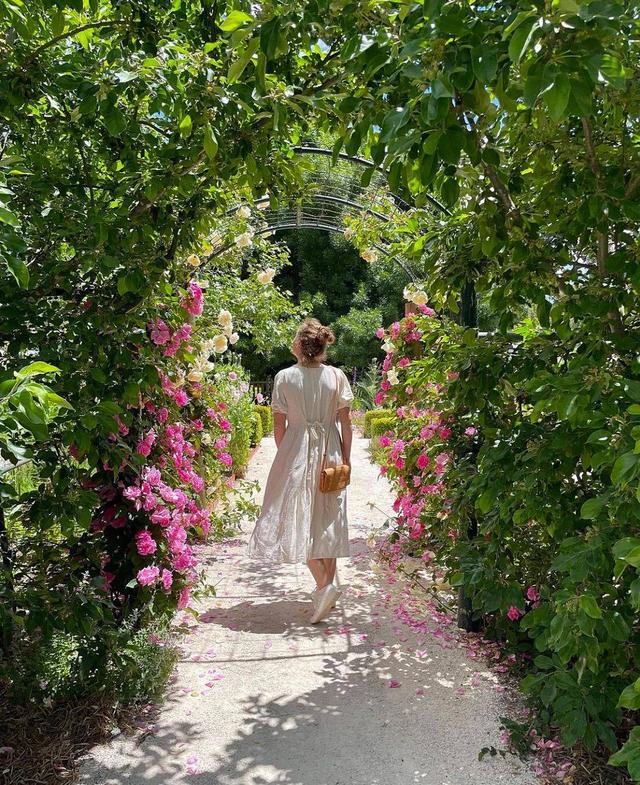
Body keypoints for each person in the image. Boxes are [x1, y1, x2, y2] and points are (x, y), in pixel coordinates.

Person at [247, 318, 354, 624]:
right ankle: (326, 589)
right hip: (331, 451)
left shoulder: (284, 377)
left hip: (296, 453)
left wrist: (288, 456)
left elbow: (279, 428)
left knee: (298, 517)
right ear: (321, 346)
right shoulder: (336, 376)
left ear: (300, 345)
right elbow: (345, 424)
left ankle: (324, 586)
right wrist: (346, 457)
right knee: (328, 516)